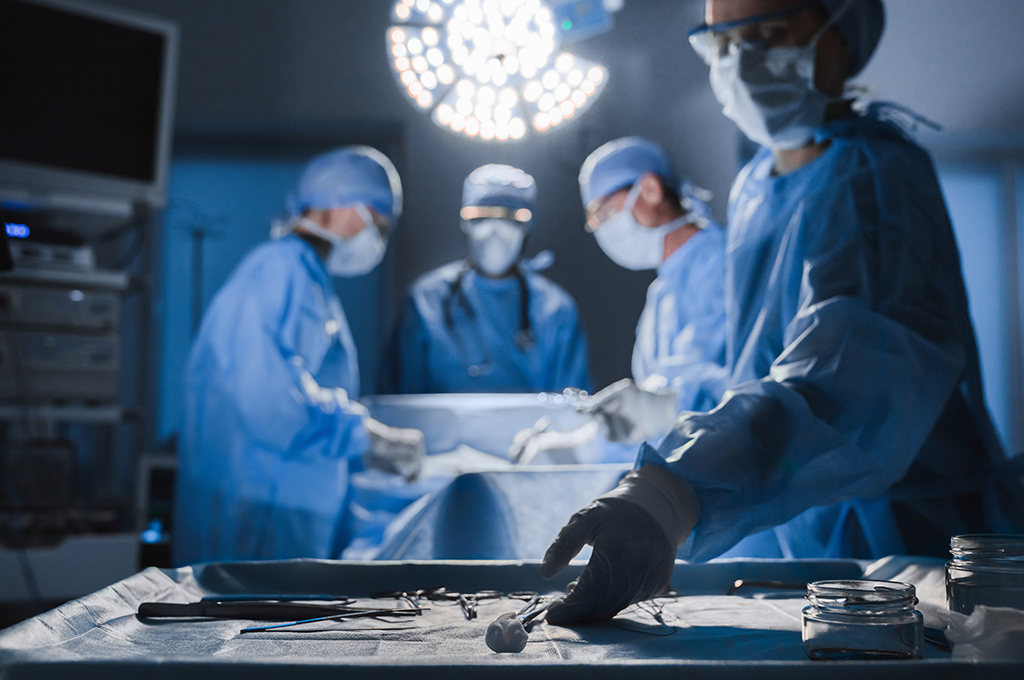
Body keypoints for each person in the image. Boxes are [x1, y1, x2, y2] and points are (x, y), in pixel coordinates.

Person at [540, 0, 1022, 624]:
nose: (743, 62)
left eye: (769, 35)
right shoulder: (757, 188)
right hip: (792, 529)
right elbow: (755, 368)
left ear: (840, 37)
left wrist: (674, 489)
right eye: (724, 44)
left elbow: (840, 386)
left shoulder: (872, 178)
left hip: (896, 536)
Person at [175, 146, 425, 565]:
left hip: (281, 509)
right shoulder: (279, 271)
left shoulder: (307, 278)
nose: (380, 236)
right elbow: (269, 401)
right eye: (379, 222)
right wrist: (365, 435)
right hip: (261, 513)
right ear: (345, 210)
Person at [386, 164, 591, 394]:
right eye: (482, 216)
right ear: (465, 221)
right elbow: (400, 402)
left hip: (535, 431)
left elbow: (572, 406)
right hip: (438, 432)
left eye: (509, 216)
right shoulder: (426, 300)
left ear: (528, 225)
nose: (495, 228)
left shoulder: (555, 309)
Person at [575, 137, 728, 444]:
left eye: (606, 213)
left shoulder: (723, 264)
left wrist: (663, 409)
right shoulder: (662, 293)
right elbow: (649, 424)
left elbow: (734, 388)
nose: (604, 229)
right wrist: (584, 442)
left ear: (650, 190)